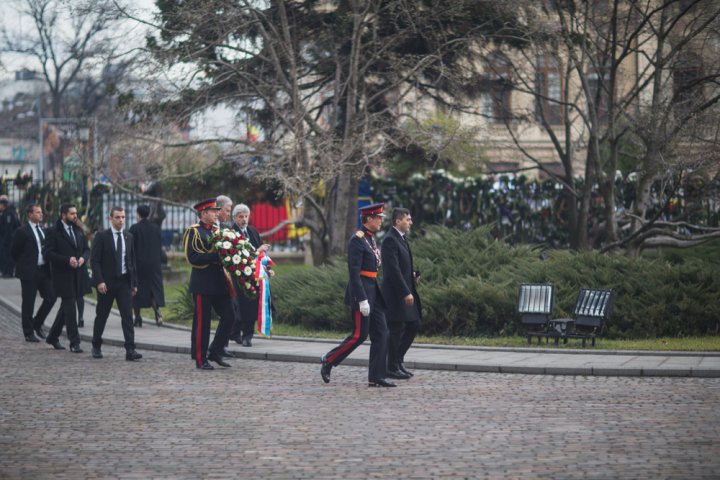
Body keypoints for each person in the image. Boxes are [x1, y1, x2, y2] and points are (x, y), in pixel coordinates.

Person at [320, 203, 394, 387]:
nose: (381, 221)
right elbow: (354, 273)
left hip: (373, 291)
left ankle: (376, 376)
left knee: (382, 332)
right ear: (368, 219)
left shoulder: (370, 238)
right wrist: (362, 299)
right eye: (378, 218)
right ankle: (329, 360)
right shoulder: (357, 239)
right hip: (361, 292)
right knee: (359, 335)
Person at [183, 198, 235, 370]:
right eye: (213, 211)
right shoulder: (194, 232)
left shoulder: (217, 230)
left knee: (230, 316)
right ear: (203, 213)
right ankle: (200, 358)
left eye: (216, 211)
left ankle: (216, 351)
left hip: (219, 283)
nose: (216, 213)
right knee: (202, 323)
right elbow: (193, 258)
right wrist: (217, 256)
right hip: (203, 284)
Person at [90, 206, 142, 361]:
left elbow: (132, 261)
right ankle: (96, 345)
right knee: (102, 315)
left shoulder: (129, 236)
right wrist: (99, 281)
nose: (121, 220)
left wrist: (134, 283)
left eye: (123, 217)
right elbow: (94, 261)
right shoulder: (101, 236)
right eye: (118, 217)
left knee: (127, 316)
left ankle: (130, 350)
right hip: (106, 283)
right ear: (110, 219)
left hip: (124, 283)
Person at [381, 207, 421, 380]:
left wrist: (412, 276)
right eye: (408, 219)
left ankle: (397, 360)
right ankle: (391, 367)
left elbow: (402, 266)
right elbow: (392, 270)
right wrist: (405, 291)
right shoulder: (390, 240)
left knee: (414, 325)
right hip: (395, 293)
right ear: (398, 221)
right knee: (396, 329)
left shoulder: (402, 238)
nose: (411, 222)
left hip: (406, 288)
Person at [43, 203, 88, 353]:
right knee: (70, 307)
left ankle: (53, 336)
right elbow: (48, 253)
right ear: (63, 215)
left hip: (78, 275)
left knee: (65, 308)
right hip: (62, 276)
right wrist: (66, 260)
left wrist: (82, 258)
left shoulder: (78, 230)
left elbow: (86, 250)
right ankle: (74, 342)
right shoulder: (53, 231)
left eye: (76, 213)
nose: (75, 216)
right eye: (72, 214)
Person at [10, 203, 57, 342]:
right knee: (28, 302)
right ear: (30, 214)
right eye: (37, 212)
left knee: (51, 297)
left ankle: (37, 322)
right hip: (29, 272)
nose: (41, 214)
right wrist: (25, 263)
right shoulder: (22, 231)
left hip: (43, 270)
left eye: (41, 212)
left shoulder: (42, 229)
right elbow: (14, 251)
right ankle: (28, 332)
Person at [229, 203, 271, 347]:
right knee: (243, 305)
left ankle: (244, 334)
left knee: (251, 304)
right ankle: (242, 334)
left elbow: (262, 254)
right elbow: (239, 255)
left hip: (255, 274)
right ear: (235, 218)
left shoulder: (252, 231)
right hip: (239, 275)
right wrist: (258, 250)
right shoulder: (231, 233)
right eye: (241, 217)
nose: (244, 219)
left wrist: (268, 267)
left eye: (246, 216)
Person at [130, 204, 166, 327]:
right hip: (154, 264)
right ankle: (158, 312)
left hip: (139, 265)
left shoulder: (134, 228)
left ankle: (137, 317)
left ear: (138, 214)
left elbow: (131, 248)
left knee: (137, 290)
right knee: (153, 289)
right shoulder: (156, 228)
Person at [0, 195, 21, 277]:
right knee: (5, 256)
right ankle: (6, 272)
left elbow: (8, 229)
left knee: (9, 256)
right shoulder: (7, 212)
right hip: (8, 239)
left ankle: (9, 272)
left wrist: (6, 239)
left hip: (9, 239)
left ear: (3, 205)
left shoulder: (8, 213)